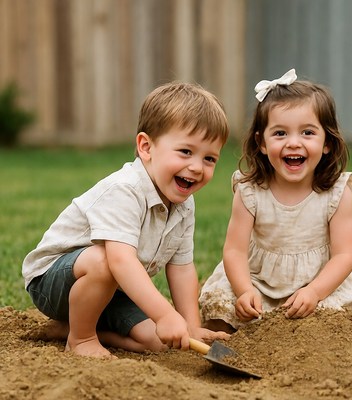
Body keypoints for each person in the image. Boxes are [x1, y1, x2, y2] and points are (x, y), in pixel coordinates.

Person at [22, 82, 230, 358]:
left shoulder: (183, 205)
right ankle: (81, 338)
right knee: (103, 259)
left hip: (112, 290)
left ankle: (71, 329)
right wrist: (166, 313)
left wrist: (189, 325)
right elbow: (120, 260)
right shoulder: (125, 190)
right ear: (146, 147)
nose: (196, 167)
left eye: (209, 159)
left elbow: (181, 268)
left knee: (159, 342)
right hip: (55, 282)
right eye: (185, 152)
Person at [199, 69, 352, 333]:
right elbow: (234, 251)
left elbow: (344, 255)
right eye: (280, 134)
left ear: (327, 143)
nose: (293, 143)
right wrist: (244, 291)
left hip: (316, 284)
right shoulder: (250, 190)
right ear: (261, 142)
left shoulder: (337, 192)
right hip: (258, 281)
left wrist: (314, 292)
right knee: (221, 311)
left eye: (308, 133)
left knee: (330, 324)